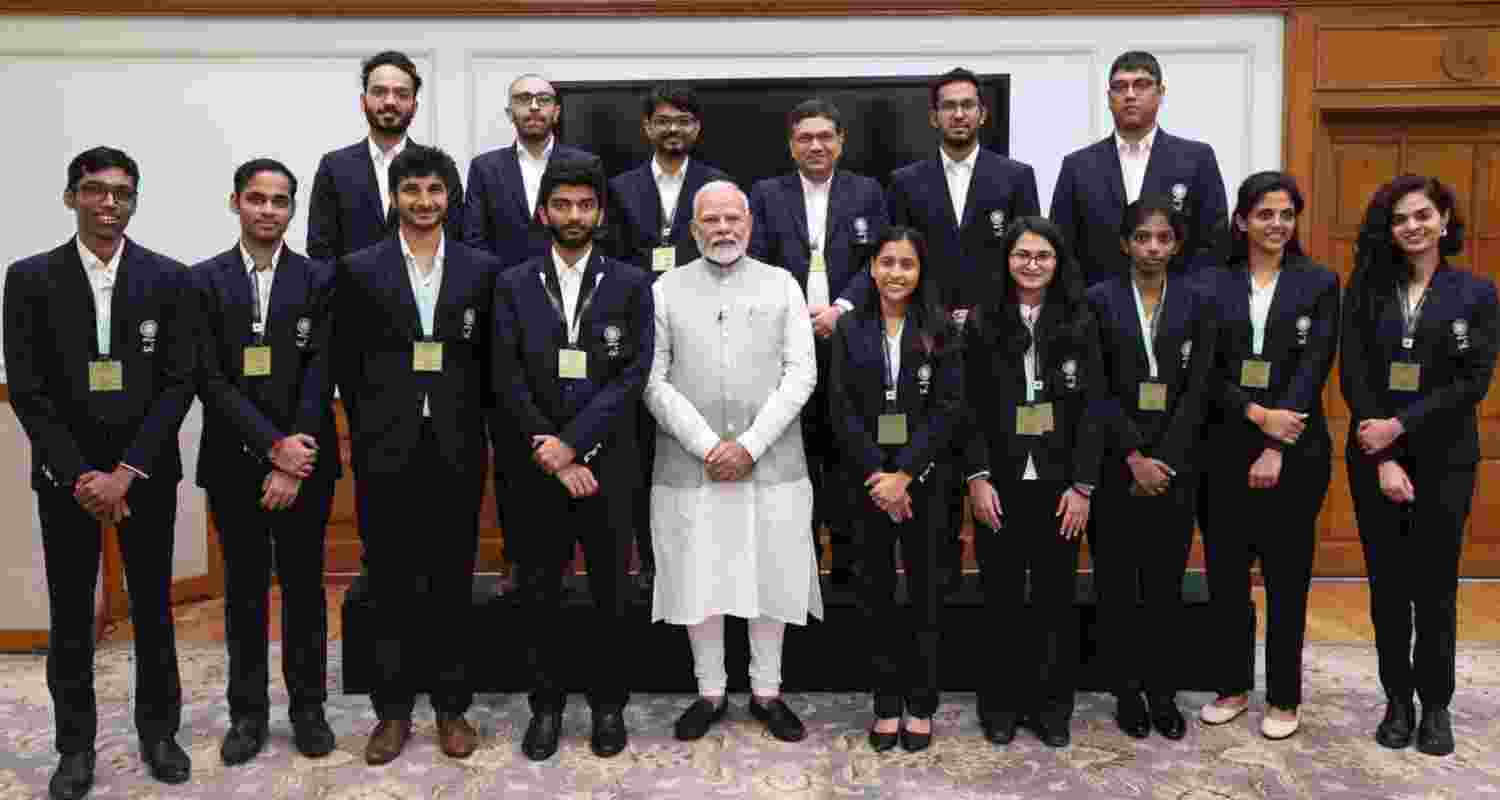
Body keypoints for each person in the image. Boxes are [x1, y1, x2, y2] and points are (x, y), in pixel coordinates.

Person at [4, 146, 196, 798]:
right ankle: (74, 747)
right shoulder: (28, 279)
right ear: (71, 197)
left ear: (134, 200)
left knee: (153, 611)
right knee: (69, 616)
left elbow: (177, 384)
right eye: (94, 190)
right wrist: (83, 474)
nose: (108, 202)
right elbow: (28, 390)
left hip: (144, 475)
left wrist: (127, 471)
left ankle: (159, 733)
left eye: (121, 191)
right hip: (68, 481)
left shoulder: (170, 279)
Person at [333, 145, 499, 765]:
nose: (423, 202)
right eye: (412, 191)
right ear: (394, 199)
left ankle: (452, 708)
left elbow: (490, 362)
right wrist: (373, 424)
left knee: (453, 581)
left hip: (457, 444)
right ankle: (393, 712)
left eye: (434, 191)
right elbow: (347, 362)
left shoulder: (483, 270)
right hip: (385, 448)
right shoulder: (359, 269)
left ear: (449, 198)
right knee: (390, 583)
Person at [646, 180, 822, 744]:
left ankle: (767, 692)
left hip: (769, 462)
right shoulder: (664, 289)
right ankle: (710, 692)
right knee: (701, 577)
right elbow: (653, 379)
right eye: (710, 221)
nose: (723, 230)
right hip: (689, 465)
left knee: (770, 576)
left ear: (749, 223)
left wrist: (749, 445)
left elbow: (802, 373)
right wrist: (707, 445)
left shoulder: (783, 285)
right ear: (693, 229)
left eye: (732, 219)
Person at [492, 158, 654, 761]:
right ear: (544, 213)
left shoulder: (632, 283)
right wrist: (551, 450)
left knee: (612, 591)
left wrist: (577, 444)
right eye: (561, 205)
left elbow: (633, 374)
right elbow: (504, 376)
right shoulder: (512, 283)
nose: (574, 216)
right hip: (536, 467)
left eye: (585, 205)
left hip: (608, 464)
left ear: (600, 213)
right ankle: (547, 706)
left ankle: (609, 705)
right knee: (541, 591)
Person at [1340, 175, 1497, 757]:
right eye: (1402, 218)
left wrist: (1400, 427)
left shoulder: (1476, 294)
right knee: (1388, 586)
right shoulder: (1367, 290)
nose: (1413, 226)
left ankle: (1435, 705)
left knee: (1434, 586)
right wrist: (1382, 453)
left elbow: (1472, 382)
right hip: (1375, 459)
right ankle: (1396, 699)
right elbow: (1354, 373)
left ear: (1445, 220)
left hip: (1445, 459)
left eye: (1423, 215)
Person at [190, 159, 340, 765]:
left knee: (306, 593)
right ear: (236, 203)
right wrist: (267, 446)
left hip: (305, 463)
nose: (268, 210)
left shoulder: (320, 279)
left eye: (280, 201)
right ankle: (247, 715)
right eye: (257, 199)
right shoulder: (202, 281)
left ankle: (308, 712)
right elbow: (208, 377)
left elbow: (320, 369)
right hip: (233, 462)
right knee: (244, 595)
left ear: (292, 210)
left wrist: (292, 453)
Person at [1197, 172, 1339, 741]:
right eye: (1264, 214)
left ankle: (1284, 696)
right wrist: (1257, 417)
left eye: (1285, 214)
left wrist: (1278, 439)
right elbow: (1203, 370)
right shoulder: (1212, 283)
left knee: (1286, 581)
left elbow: (1315, 364)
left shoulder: (1320, 282)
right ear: (1241, 221)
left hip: (1298, 450)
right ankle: (1231, 686)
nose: (1276, 224)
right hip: (1224, 448)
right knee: (1227, 581)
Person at [963, 216, 1103, 748]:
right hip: (998, 481)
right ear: (1007, 260)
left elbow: (1094, 409)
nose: (1032, 264)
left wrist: (1083, 485)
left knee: (1053, 599)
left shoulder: (1081, 320)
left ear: (1057, 262)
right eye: (1022, 254)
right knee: (999, 599)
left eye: (1043, 255)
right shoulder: (981, 321)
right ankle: (999, 706)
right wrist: (976, 476)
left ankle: (1051, 707)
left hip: (1059, 485)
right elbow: (968, 408)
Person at [1086, 196, 1217, 740]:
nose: (1154, 247)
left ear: (1176, 244)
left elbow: (1200, 386)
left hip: (1176, 466)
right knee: (1117, 586)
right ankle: (1126, 691)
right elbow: (1092, 384)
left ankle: (1162, 692)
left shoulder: (1196, 300)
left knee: (1164, 587)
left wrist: (1164, 458)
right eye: (1143, 238)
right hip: (1118, 466)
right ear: (1125, 243)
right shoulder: (1097, 300)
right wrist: (1134, 456)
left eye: (1164, 238)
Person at [828, 227, 961, 753]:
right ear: (871, 269)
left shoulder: (943, 330)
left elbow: (949, 407)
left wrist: (905, 473)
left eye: (907, 263)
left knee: (927, 594)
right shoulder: (850, 330)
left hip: (924, 482)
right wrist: (879, 478)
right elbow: (840, 408)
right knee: (875, 595)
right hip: (867, 484)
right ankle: (886, 703)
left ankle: (921, 704)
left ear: (920, 271)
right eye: (887, 262)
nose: (896, 273)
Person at [749, 98, 889, 584]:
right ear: (791, 146)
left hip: (849, 341)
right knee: (795, 457)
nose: (816, 145)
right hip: (785, 347)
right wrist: (795, 313)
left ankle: (849, 566)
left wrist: (841, 311)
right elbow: (758, 264)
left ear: (841, 141)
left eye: (825, 136)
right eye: (805, 138)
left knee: (848, 455)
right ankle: (799, 567)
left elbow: (879, 262)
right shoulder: (766, 194)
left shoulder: (867, 192)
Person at [607, 84, 731, 590]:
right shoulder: (619, 188)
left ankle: (705, 560)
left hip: (700, 330)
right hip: (636, 329)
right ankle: (653, 560)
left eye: (682, 120)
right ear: (647, 128)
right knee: (641, 451)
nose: (673, 129)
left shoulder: (717, 184)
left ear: (696, 129)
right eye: (663, 121)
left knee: (695, 442)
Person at [1050, 50, 1227, 287]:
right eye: (1120, 87)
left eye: (1141, 85)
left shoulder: (1196, 159)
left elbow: (1213, 244)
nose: (1130, 95)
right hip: (1097, 309)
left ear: (1161, 93)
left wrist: (1190, 301)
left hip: (1180, 307)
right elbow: (1063, 247)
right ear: (1109, 96)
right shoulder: (1078, 166)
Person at [887, 67, 1041, 310]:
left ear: (982, 114)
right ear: (933, 117)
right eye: (948, 106)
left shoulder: (1017, 177)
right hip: (927, 324)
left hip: (997, 322)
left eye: (967, 105)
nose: (958, 114)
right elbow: (899, 259)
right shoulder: (904, 182)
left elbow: (1030, 254)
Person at [307, 51, 464, 262]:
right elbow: (320, 248)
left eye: (401, 94)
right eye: (379, 92)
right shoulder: (334, 167)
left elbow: (454, 240)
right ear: (363, 102)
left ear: (414, 107)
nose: (390, 101)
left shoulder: (440, 167)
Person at [464, 73, 594, 267]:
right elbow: (474, 239)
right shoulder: (484, 168)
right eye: (524, 99)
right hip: (502, 288)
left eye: (543, 99)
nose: (534, 106)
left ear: (556, 112)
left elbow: (598, 232)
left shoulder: (587, 164)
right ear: (510, 113)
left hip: (570, 286)